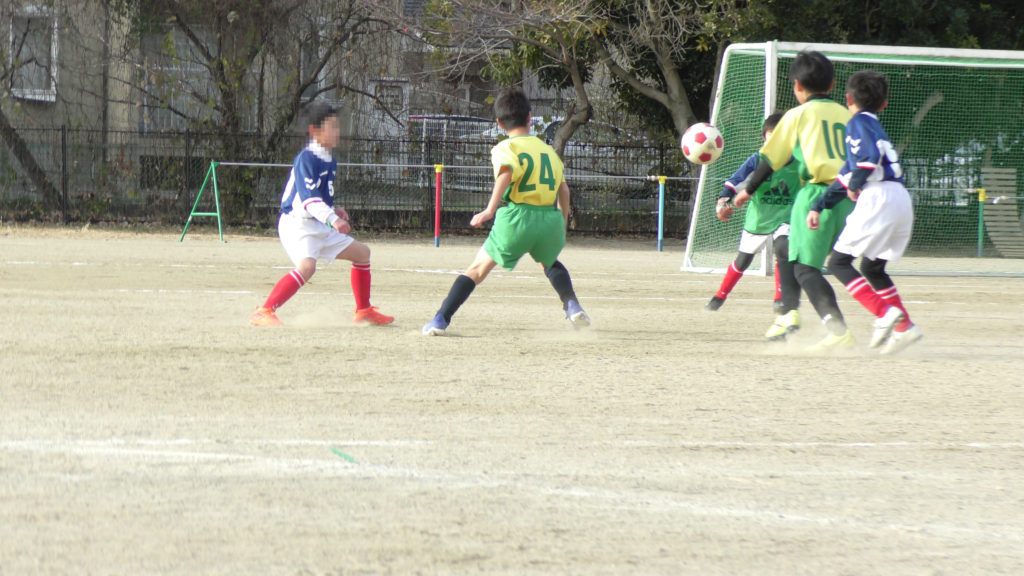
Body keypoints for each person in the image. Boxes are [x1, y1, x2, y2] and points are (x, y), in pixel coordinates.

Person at [422, 87, 588, 336]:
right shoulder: (548, 151)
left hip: (517, 218)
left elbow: (506, 174)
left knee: (477, 270)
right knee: (550, 262)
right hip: (548, 218)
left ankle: (440, 320)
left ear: (500, 123)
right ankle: (572, 304)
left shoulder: (505, 148)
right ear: (530, 117)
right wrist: (561, 223)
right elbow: (564, 190)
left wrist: (490, 210)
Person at [734, 49, 856, 351]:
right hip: (849, 197)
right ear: (832, 85)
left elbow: (770, 159)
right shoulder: (845, 114)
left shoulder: (796, 115)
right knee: (810, 257)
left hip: (816, 194)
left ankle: (814, 321)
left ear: (797, 86)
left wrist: (749, 189)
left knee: (799, 264)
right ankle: (790, 313)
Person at [250, 100, 394, 327]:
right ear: (315, 131)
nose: (337, 131)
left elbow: (319, 198)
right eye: (332, 126)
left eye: (337, 126)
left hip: (317, 224)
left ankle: (364, 311)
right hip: (297, 225)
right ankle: (264, 311)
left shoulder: (329, 159)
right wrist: (333, 219)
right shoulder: (307, 158)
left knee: (362, 254)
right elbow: (309, 200)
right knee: (307, 268)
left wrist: (333, 210)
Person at [807, 70, 922, 354]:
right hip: (900, 198)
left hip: (878, 197)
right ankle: (905, 328)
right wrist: (819, 205)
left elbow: (867, 160)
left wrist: (857, 183)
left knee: (838, 263)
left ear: (848, 99)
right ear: (883, 105)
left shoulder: (857, 123)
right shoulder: (874, 127)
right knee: (872, 267)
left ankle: (884, 313)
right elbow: (848, 173)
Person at [707, 112, 803, 341]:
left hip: (786, 217)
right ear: (764, 138)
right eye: (771, 137)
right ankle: (719, 296)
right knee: (743, 261)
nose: (775, 142)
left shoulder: (800, 162)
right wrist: (722, 203)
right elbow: (732, 183)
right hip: (759, 218)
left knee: (783, 249)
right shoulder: (756, 159)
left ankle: (779, 300)